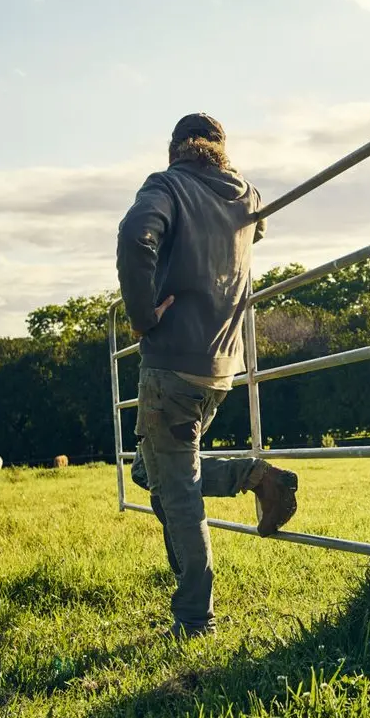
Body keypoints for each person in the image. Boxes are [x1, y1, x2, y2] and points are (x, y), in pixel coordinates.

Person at [117, 112, 298, 639]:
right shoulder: (247, 194)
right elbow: (256, 229)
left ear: (175, 150)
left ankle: (195, 620)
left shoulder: (166, 185)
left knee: (176, 492)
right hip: (221, 366)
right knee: (153, 475)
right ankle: (255, 478)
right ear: (222, 150)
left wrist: (143, 316)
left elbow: (135, 237)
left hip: (171, 362)